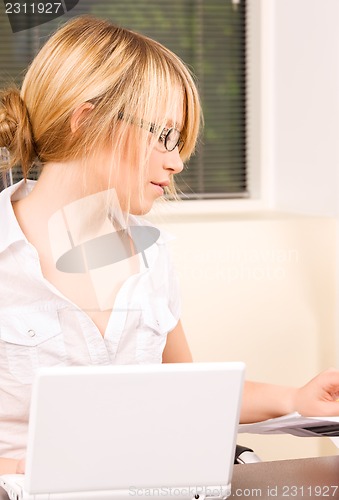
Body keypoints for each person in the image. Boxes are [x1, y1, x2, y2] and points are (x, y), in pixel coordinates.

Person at [0, 15, 339, 476]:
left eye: (179, 142)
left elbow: (185, 392)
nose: (177, 162)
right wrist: (24, 469)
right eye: (163, 137)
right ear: (87, 119)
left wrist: (295, 398)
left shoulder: (150, 256)